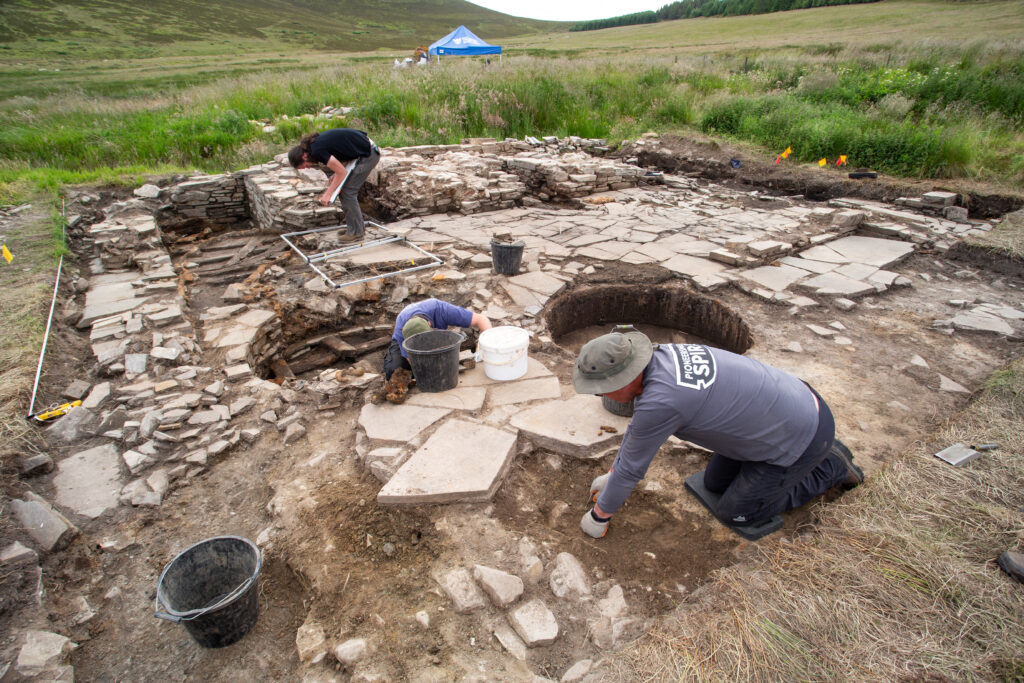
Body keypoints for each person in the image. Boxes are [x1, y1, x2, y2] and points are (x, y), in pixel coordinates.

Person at [572, 328, 864, 539]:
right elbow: (636, 439)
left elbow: (632, 468)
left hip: (802, 434)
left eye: (601, 386)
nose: (598, 393)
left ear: (625, 377)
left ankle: (831, 466)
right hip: (789, 406)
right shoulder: (661, 356)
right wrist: (612, 473)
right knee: (713, 483)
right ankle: (782, 461)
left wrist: (600, 516)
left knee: (737, 512)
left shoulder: (661, 402)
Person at [288, 128, 381, 241]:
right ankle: (353, 228)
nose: (308, 167)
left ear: (303, 157)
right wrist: (334, 175)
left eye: (305, 165)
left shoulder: (317, 151)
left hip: (369, 154)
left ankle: (357, 233)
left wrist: (328, 193)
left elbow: (341, 172)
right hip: (361, 152)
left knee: (347, 192)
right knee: (344, 191)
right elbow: (342, 156)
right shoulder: (314, 147)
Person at [383, 299, 492, 380]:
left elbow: (481, 320)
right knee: (393, 370)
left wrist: (488, 347)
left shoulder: (441, 309)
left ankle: (471, 342)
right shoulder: (402, 329)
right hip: (401, 343)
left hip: (437, 334)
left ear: (429, 324)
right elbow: (411, 360)